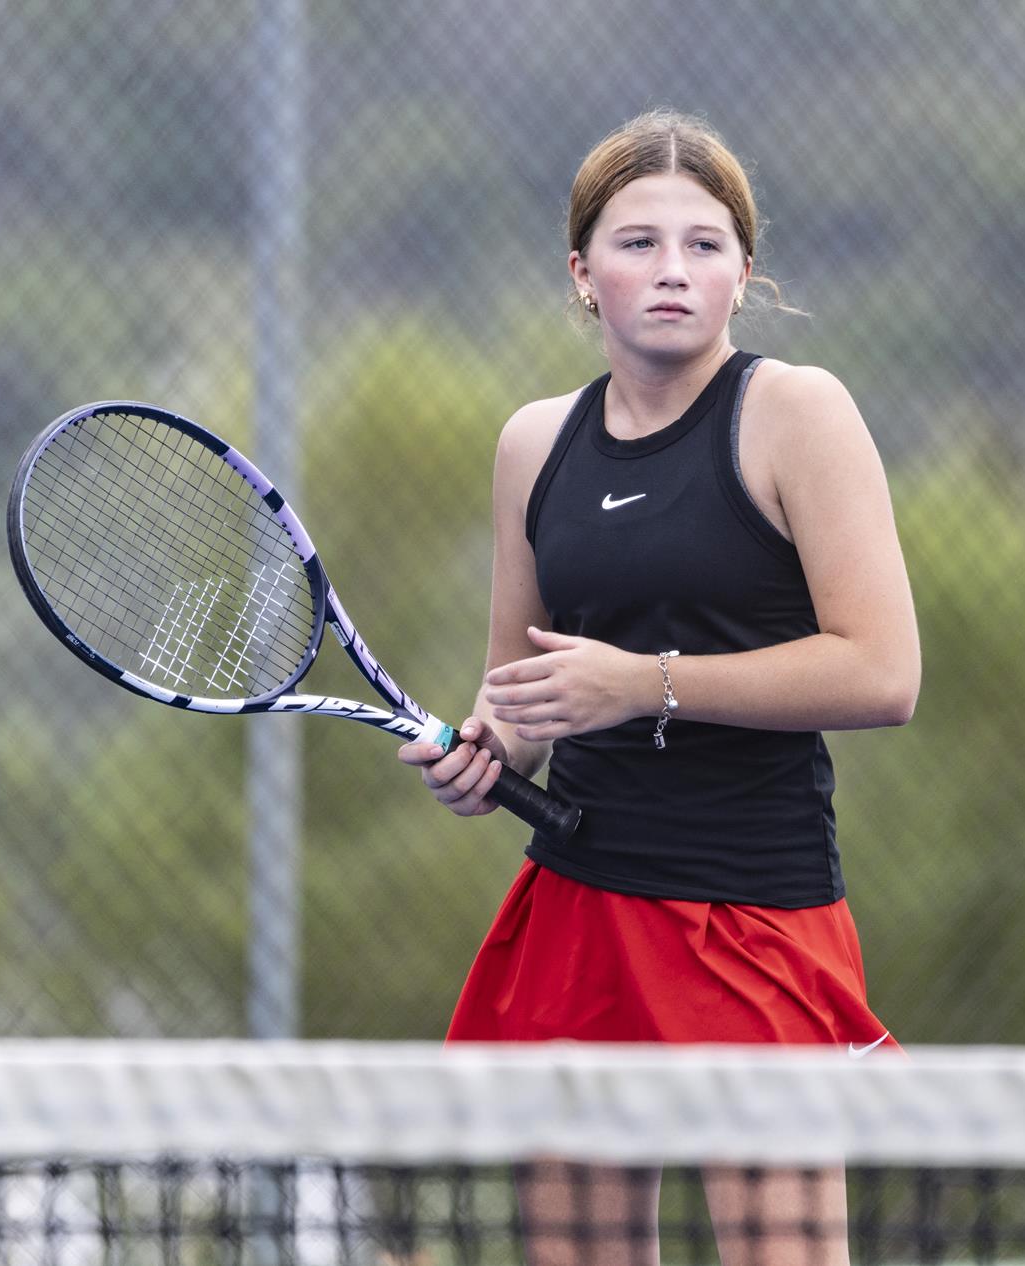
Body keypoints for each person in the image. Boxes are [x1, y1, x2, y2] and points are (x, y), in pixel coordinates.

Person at [398, 109, 921, 1266]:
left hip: (754, 917)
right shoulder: (534, 445)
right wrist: (484, 752)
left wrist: (644, 684)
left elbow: (883, 673)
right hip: (580, 910)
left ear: (744, 271)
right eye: (637, 244)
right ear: (583, 275)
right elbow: (521, 688)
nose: (672, 271)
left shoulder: (797, 413)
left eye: (704, 243)